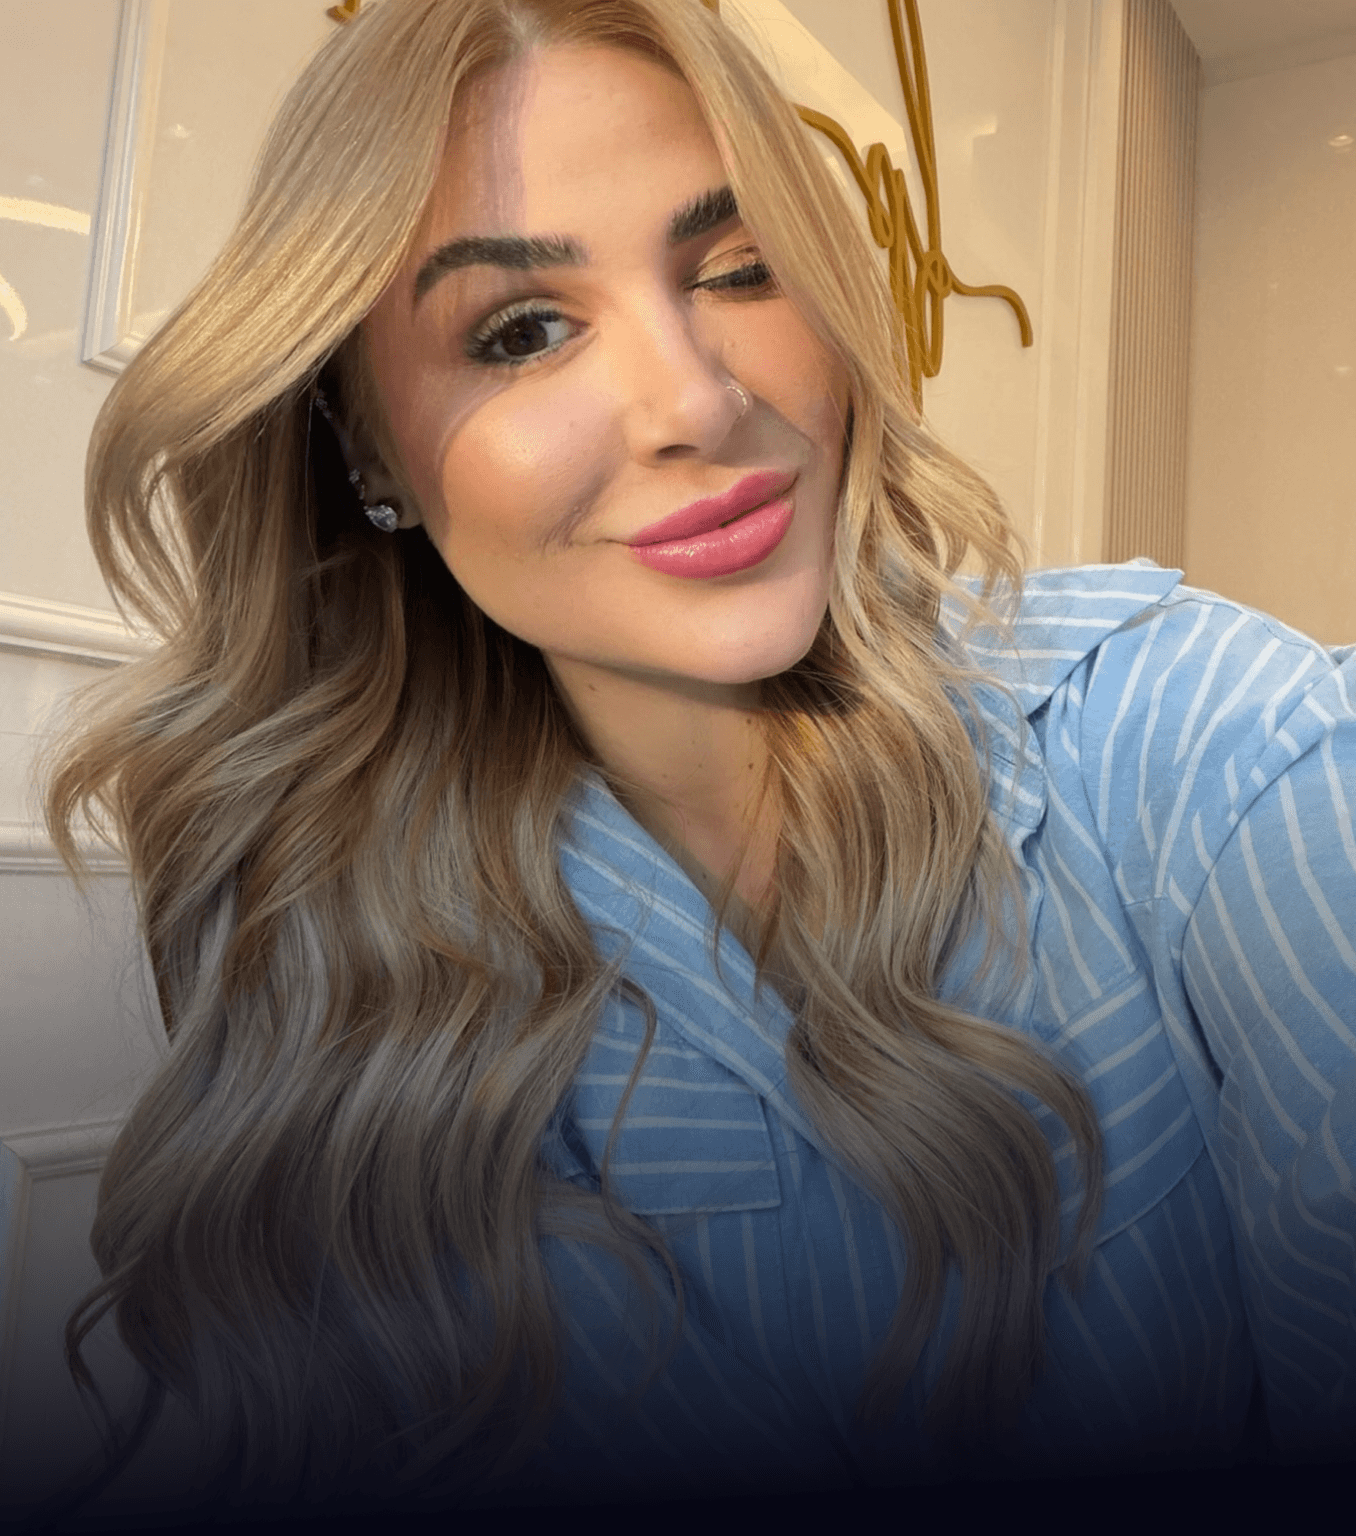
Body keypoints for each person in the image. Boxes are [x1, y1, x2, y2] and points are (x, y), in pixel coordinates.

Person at [31, 0, 1356, 1524]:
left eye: (737, 269)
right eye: (521, 331)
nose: (698, 403)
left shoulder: (1192, 731)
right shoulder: (320, 955)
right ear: (367, 452)